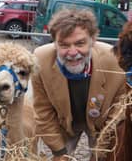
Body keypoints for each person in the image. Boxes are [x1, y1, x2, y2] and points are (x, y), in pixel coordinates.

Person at [31, 9, 126, 161]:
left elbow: (118, 109)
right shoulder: (40, 60)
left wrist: (102, 148)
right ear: (54, 43)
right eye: (64, 45)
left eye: (80, 43)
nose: (73, 52)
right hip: (65, 123)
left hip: (101, 124)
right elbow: (43, 111)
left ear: (93, 40)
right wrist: (59, 151)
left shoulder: (114, 61)